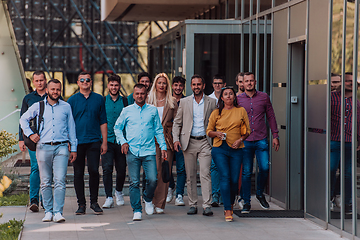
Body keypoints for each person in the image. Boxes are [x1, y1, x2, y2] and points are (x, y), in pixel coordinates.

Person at [20, 79, 77, 222]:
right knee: (45, 181)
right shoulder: (37, 106)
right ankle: (48, 211)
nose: (55, 92)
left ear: (60, 90)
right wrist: (30, 134)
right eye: (53, 89)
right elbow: (23, 119)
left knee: (60, 181)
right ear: (47, 90)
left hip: (62, 147)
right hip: (43, 147)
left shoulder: (66, 107)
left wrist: (74, 148)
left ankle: (58, 212)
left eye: (58, 89)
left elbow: (72, 129)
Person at [114, 84, 167, 221]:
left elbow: (158, 130)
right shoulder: (127, 110)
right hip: (132, 151)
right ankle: (137, 209)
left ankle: (148, 198)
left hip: (149, 151)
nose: (139, 96)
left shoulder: (152, 110)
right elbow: (117, 128)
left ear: (146, 94)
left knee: (153, 179)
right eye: (137, 93)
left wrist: (163, 147)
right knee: (134, 182)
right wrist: (123, 142)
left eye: (142, 93)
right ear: (133, 94)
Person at [173, 74, 217, 216]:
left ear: (203, 86)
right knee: (190, 175)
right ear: (191, 86)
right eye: (194, 84)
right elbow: (177, 123)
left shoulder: (211, 102)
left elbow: (216, 122)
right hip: (189, 142)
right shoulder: (185, 102)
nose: (196, 87)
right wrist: (176, 139)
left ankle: (207, 205)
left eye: (199, 84)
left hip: (206, 141)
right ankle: (192, 204)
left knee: (205, 173)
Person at [237, 72, 280, 214]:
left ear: (255, 82)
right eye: (246, 81)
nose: (249, 83)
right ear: (242, 83)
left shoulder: (264, 97)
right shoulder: (238, 99)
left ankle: (260, 193)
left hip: (261, 138)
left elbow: (271, 116)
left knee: (265, 168)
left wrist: (275, 135)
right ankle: (246, 203)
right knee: (247, 173)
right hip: (245, 140)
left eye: (251, 81)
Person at [207, 86, 250, 221]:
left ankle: (231, 204)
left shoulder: (241, 111)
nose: (228, 96)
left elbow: (247, 131)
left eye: (231, 94)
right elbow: (208, 131)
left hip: (237, 149)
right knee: (224, 177)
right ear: (222, 98)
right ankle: (227, 209)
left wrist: (240, 140)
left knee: (233, 179)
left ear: (234, 96)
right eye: (225, 94)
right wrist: (216, 134)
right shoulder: (216, 112)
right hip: (220, 148)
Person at [67, 72, 107, 215]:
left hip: (94, 141)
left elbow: (103, 121)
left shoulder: (99, 99)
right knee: (78, 173)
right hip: (77, 142)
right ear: (78, 82)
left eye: (87, 80)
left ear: (91, 82)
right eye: (82, 80)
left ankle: (94, 202)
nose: (85, 82)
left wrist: (105, 142)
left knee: (94, 171)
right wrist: (69, 142)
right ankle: (81, 204)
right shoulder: (71, 100)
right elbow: (68, 123)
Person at [147, 73, 178, 214]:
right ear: (155, 84)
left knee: (165, 171)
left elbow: (177, 122)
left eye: (164, 83)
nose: (161, 85)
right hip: (150, 140)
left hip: (166, 141)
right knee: (153, 172)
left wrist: (173, 135)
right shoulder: (148, 100)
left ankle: (160, 203)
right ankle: (150, 200)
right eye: (159, 82)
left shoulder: (172, 101)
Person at [330, 72, 360, 214]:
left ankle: (346, 202)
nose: (350, 84)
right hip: (333, 140)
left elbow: (358, 122)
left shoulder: (356, 102)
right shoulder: (331, 98)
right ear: (342, 83)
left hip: (349, 142)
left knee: (348, 173)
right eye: (348, 81)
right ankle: (328, 198)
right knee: (330, 170)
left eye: (353, 82)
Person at [19, 71, 47, 212]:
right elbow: (22, 119)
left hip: (49, 139)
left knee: (47, 169)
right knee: (36, 167)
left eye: (41, 80)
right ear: (34, 82)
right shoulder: (28, 98)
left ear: (45, 81)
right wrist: (21, 139)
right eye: (37, 80)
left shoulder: (52, 96)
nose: (39, 83)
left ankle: (45, 200)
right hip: (32, 140)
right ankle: (34, 199)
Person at [102, 74, 128, 208]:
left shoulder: (125, 101)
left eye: (116, 85)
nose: (114, 87)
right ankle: (108, 197)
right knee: (107, 169)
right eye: (111, 85)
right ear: (108, 86)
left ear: (119, 86)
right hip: (106, 140)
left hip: (121, 141)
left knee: (122, 169)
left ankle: (118, 191)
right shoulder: (102, 101)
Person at [166, 76, 187, 206]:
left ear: (183, 87)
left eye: (180, 85)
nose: (178, 88)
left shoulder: (187, 101)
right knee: (166, 166)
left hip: (182, 138)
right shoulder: (168, 101)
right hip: (168, 137)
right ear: (172, 86)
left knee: (181, 168)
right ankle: (170, 187)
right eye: (176, 85)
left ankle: (179, 194)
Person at [207, 75, 226, 207]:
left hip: (229, 139)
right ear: (212, 84)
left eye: (220, 83)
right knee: (214, 166)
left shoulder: (231, 99)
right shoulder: (208, 100)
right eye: (215, 83)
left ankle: (226, 195)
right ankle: (215, 195)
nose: (218, 85)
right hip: (213, 138)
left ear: (224, 84)